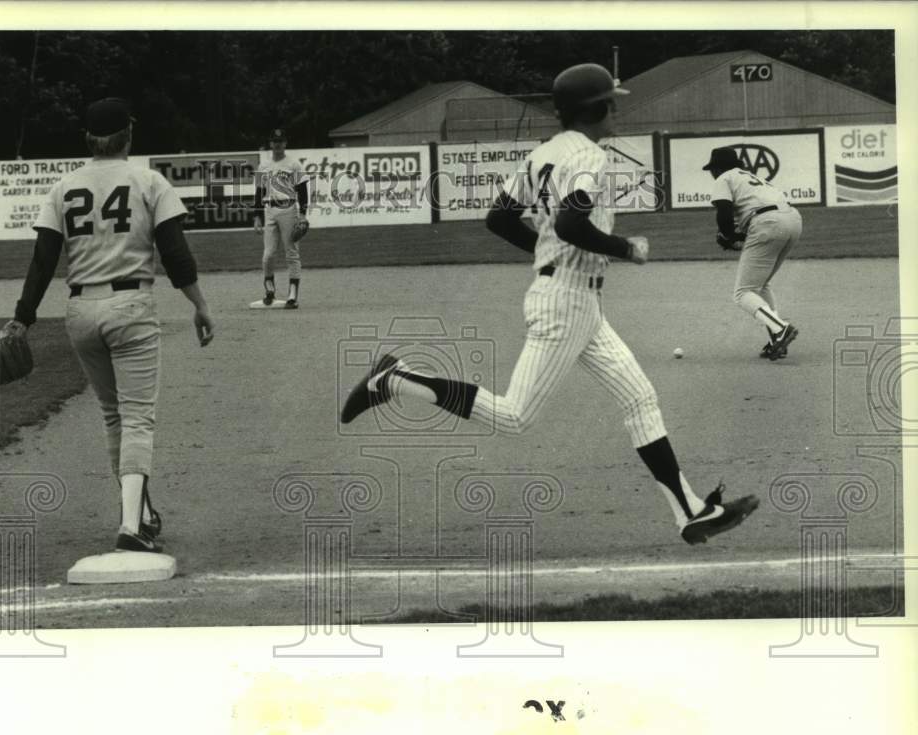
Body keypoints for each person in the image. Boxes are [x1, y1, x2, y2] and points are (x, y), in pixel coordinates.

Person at [341, 64, 759, 545]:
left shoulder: (543, 153)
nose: (616, 110)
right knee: (515, 416)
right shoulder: (590, 157)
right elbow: (569, 225)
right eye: (611, 102)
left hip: (574, 300)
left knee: (640, 399)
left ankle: (690, 512)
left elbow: (499, 219)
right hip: (566, 304)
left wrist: (547, 256)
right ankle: (394, 380)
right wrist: (626, 248)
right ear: (595, 109)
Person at [8, 96, 215, 553]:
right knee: (138, 418)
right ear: (129, 135)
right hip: (130, 308)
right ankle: (131, 527)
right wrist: (199, 305)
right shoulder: (148, 181)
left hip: (81, 313)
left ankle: (138, 512)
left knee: (113, 416)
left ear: (88, 139)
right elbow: (176, 255)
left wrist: (22, 318)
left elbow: (43, 261)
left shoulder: (64, 187)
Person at [703, 146, 802, 360]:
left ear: (718, 167)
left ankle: (781, 329)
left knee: (742, 293)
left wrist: (728, 235)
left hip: (768, 223)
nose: (712, 172)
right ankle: (777, 338)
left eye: (712, 168)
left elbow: (723, 211)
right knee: (761, 284)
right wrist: (735, 237)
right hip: (793, 219)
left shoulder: (724, 178)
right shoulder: (749, 177)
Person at [250, 128, 309, 309]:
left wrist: (302, 214)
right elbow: (259, 192)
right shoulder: (263, 166)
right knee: (268, 255)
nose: (277, 144)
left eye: (280, 141)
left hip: (288, 208)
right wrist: (257, 216)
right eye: (274, 141)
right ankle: (269, 291)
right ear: (271, 144)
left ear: (285, 143)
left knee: (291, 253)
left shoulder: (294, 164)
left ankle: (292, 296)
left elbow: (302, 190)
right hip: (269, 210)